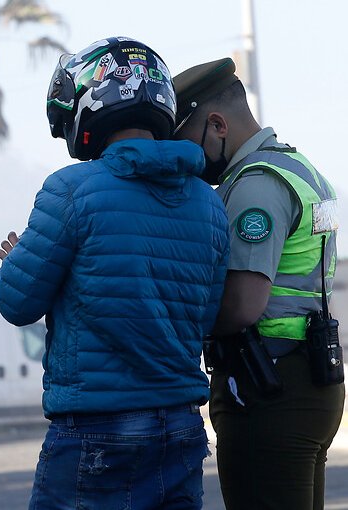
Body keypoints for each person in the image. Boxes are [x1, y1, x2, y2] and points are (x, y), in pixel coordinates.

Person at [0, 37, 230, 510]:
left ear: (90, 107)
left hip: (98, 430)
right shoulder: (208, 202)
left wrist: (20, 262)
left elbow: (16, 303)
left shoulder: (71, 190)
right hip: (181, 429)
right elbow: (202, 321)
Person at [173, 58, 344, 510]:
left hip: (269, 387)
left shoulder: (256, 186)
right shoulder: (300, 168)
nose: (188, 160)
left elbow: (244, 305)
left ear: (216, 125)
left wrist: (172, 314)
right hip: (308, 378)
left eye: (187, 141)